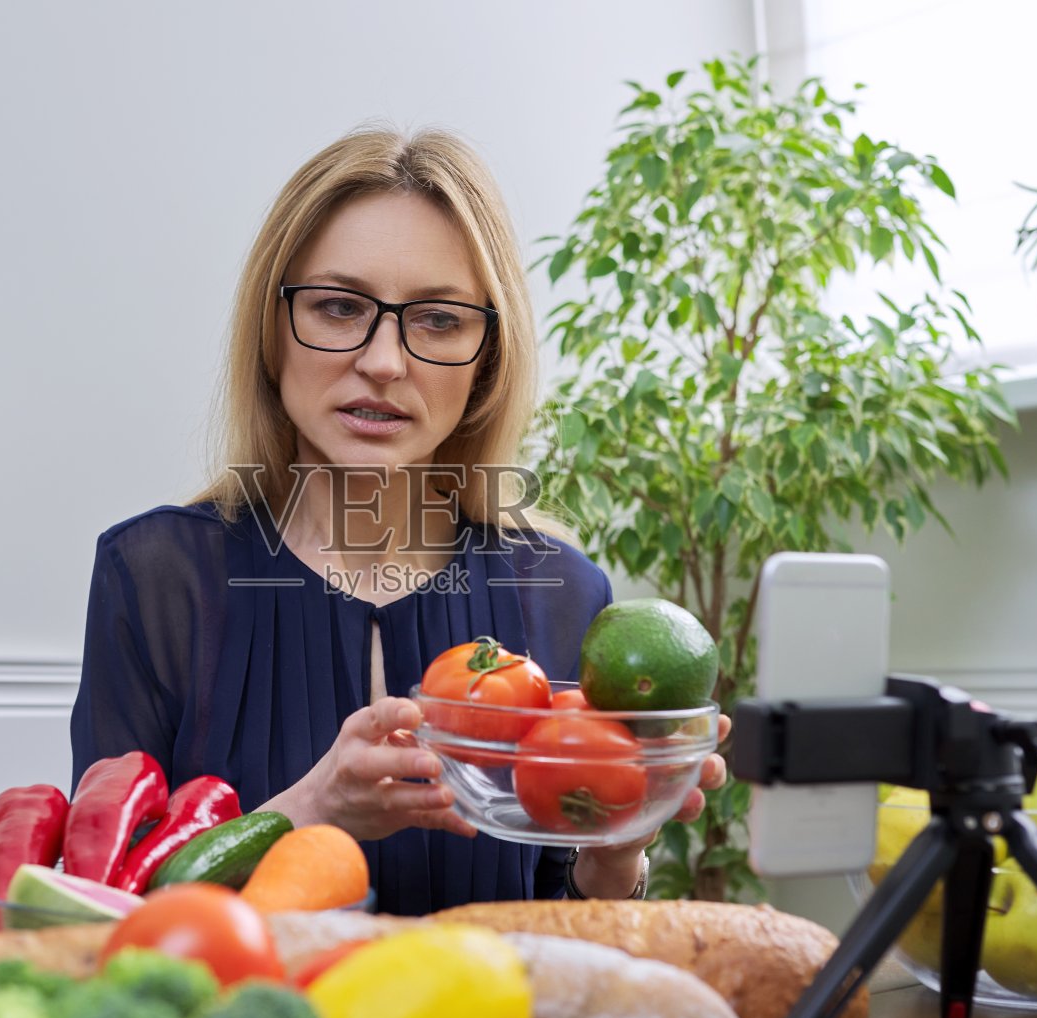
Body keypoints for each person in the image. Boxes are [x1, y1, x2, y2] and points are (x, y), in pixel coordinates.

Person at [70, 125, 727, 916]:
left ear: (487, 358)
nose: (384, 361)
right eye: (340, 307)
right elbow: (94, 911)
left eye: (439, 320)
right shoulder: (155, 579)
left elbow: (564, 925)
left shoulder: (560, 592)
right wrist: (310, 810)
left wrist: (617, 850)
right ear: (272, 330)